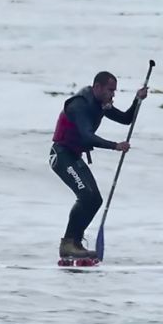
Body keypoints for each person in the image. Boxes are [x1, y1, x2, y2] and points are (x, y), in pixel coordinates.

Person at [49, 71, 148, 259]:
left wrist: (137, 100)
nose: (113, 95)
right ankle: (68, 243)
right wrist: (115, 146)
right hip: (61, 156)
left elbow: (126, 119)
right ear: (97, 88)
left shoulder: (101, 104)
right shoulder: (80, 105)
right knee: (86, 195)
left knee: (95, 200)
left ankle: (75, 243)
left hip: (74, 156)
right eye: (110, 90)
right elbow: (87, 136)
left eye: (114, 91)